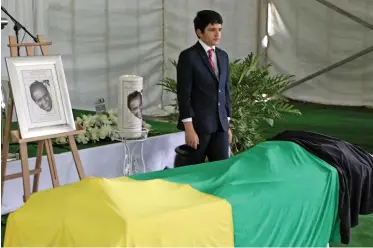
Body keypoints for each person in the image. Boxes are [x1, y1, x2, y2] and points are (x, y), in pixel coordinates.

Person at [176, 10, 232, 164]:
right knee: (192, 172)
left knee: (221, 171)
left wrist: (227, 124)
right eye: (212, 30)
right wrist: (189, 129)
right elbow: (183, 95)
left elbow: (225, 91)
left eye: (220, 30)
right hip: (198, 127)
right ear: (199, 32)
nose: (217, 34)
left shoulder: (223, 56)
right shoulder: (188, 56)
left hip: (220, 127)